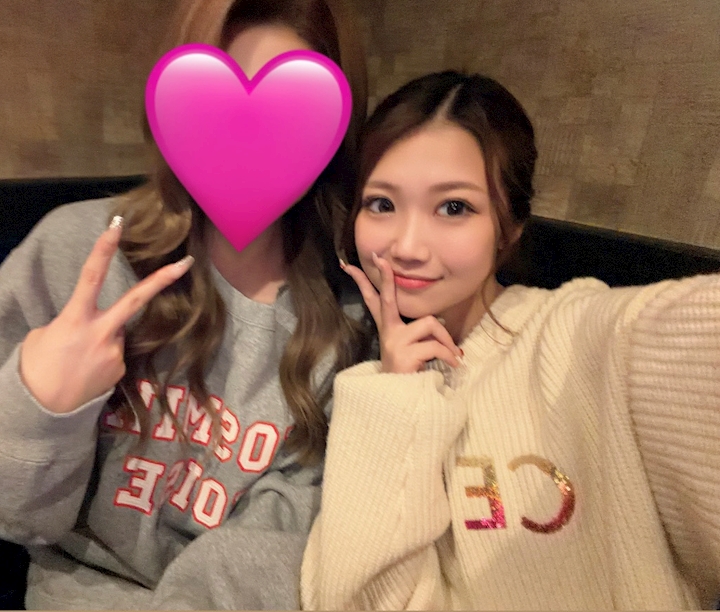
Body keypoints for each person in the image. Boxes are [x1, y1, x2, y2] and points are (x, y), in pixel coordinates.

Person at [0, 0, 370, 609]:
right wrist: (41, 404)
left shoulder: (352, 313)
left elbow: (306, 542)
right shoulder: (79, 251)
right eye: (218, 106)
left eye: (291, 114)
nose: (248, 139)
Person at [300, 70, 720, 610]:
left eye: (454, 207)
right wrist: (395, 389)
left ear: (511, 227)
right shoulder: (366, 374)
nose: (406, 246)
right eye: (382, 204)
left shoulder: (579, 337)